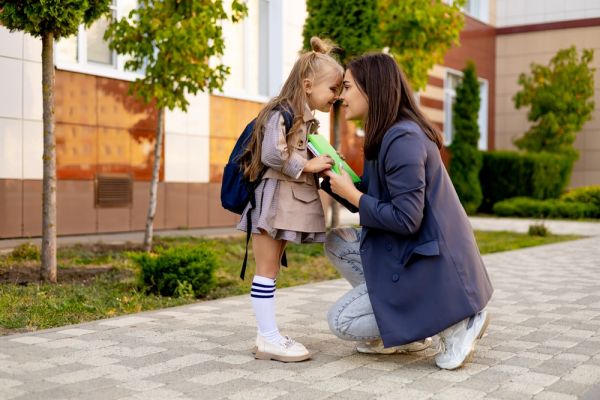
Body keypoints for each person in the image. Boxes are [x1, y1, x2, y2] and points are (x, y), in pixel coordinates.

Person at [323, 53, 493, 370]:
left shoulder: (403, 139)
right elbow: (374, 200)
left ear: (370, 88)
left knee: (341, 321)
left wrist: (354, 196)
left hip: (431, 264)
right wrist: (332, 181)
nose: (341, 97)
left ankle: (458, 323)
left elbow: (406, 219)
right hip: (408, 253)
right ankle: (411, 333)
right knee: (337, 242)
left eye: (347, 88)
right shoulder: (383, 134)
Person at [237, 37, 342, 362]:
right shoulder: (280, 113)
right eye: (333, 89)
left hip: (282, 201)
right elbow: (271, 153)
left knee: (271, 270)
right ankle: (268, 338)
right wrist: (306, 164)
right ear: (308, 85)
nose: (336, 97)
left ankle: (266, 335)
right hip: (271, 202)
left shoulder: (299, 116)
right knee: (266, 270)